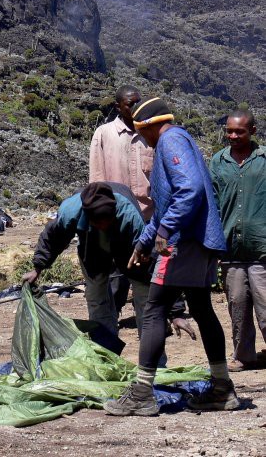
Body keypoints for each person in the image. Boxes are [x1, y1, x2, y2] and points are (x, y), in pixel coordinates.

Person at [104, 97, 239, 416]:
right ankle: (222, 389)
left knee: (153, 310)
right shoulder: (179, 140)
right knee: (203, 310)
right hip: (196, 241)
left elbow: (188, 191)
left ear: (149, 126)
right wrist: (145, 241)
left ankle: (141, 394)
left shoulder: (170, 140)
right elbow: (167, 205)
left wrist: (163, 235)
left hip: (183, 243)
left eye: (142, 134)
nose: (144, 142)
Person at [21, 182, 193, 352]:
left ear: (114, 214)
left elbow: (155, 265)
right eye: (98, 222)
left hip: (127, 245)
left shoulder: (129, 216)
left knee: (145, 293)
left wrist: (174, 312)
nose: (103, 226)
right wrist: (37, 268)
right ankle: (106, 351)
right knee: (96, 296)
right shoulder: (70, 212)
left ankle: (153, 357)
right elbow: (52, 239)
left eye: (107, 221)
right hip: (92, 246)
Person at [209, 109, 266, 372]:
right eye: (229, 131)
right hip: (231, 248)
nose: (232, 136)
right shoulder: (218, 162)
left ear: (253, 131)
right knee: (237, 306)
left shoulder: (264, 159)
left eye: (239, 131)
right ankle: (244, 356)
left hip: (262, 247)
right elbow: (212, 203)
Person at [89, 85, 152, 316]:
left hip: (147, 216)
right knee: (116, 271)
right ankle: (112, 318)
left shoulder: (149, 134)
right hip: (116, 217)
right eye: (130, 103)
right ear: (118, 106)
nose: (135, 107)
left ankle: (149, 319)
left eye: (138, 101)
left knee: (146, 270)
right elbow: (97, 178)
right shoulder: (104, 134)